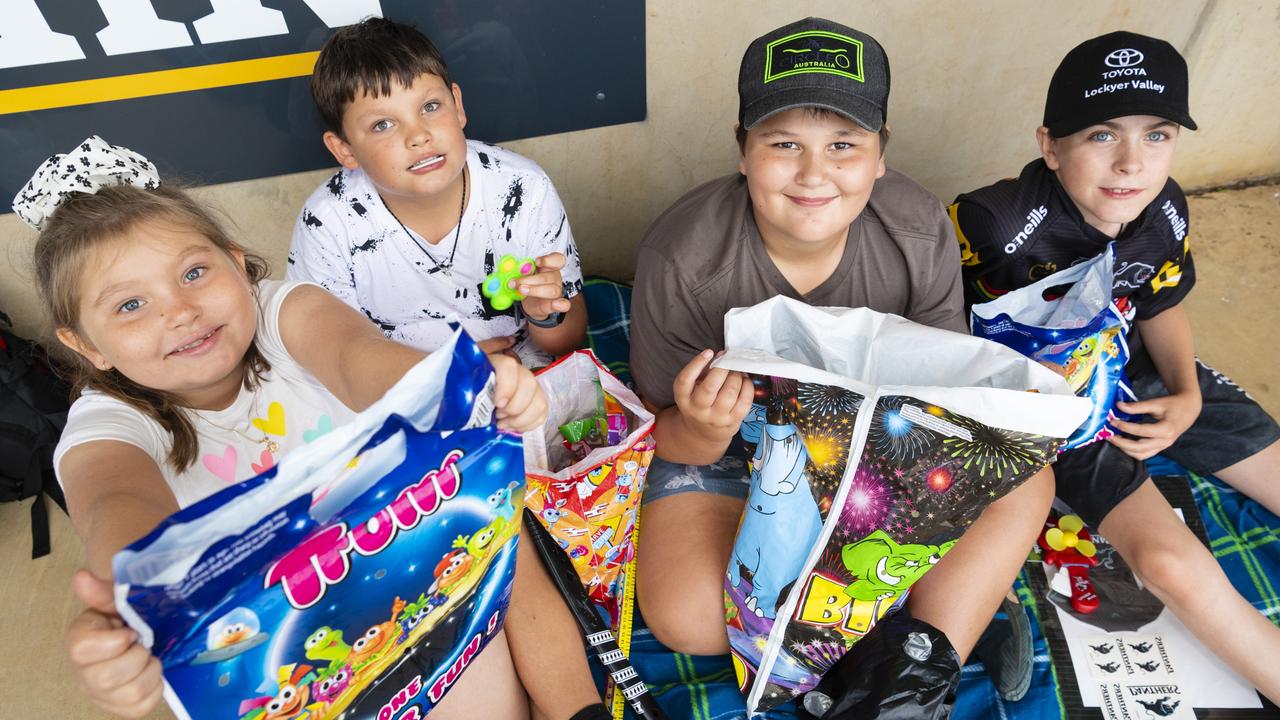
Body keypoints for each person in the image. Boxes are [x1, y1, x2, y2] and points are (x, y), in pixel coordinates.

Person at [15, 137, 608, 720]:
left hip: (405, 559)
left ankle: (578, 709)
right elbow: (114, 504)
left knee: (505, 522)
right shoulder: (107, 424)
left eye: (194, 272)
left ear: (237, 260)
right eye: (129, 306)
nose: (179, 311)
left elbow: (360, 358)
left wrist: (465, 387)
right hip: (277, 634)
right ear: (85, 344)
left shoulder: (282, 310)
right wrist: (134, 613)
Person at [628, 17, 1056, 707]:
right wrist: (705, 426)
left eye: (844, 145)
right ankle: (928, 619)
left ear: (881, 155)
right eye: (784, 143)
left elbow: (953, 399)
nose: (814, 173)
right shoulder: (682, 256)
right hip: (738, 459)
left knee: (1029, 481)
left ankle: (917, 671)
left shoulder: (916, 230)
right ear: (742, 152)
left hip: (886, 451)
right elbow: (661, 435)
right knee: (684, 617)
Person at [950, 31, 1280, 702]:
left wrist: (1186, 393)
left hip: (1131, 368)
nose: (1133, 163)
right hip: (1043, 405)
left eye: (1157, 136)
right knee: (1168, 563)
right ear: (1050, 144)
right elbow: (929, 332)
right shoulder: (991, 222)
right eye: (1103, 135)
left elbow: (1159, 303)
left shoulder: (1164, 207)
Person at [287, 17, 586, 368]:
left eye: (430, 107)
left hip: (519, 371)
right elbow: (327, 355)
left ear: (457, 105)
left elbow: (568, 340)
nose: (418, 135)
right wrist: (446, 370)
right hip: (395, 387)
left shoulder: (522, 189)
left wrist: (543, 314)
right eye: (382, 124)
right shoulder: (328, 223)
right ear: (345, 150)